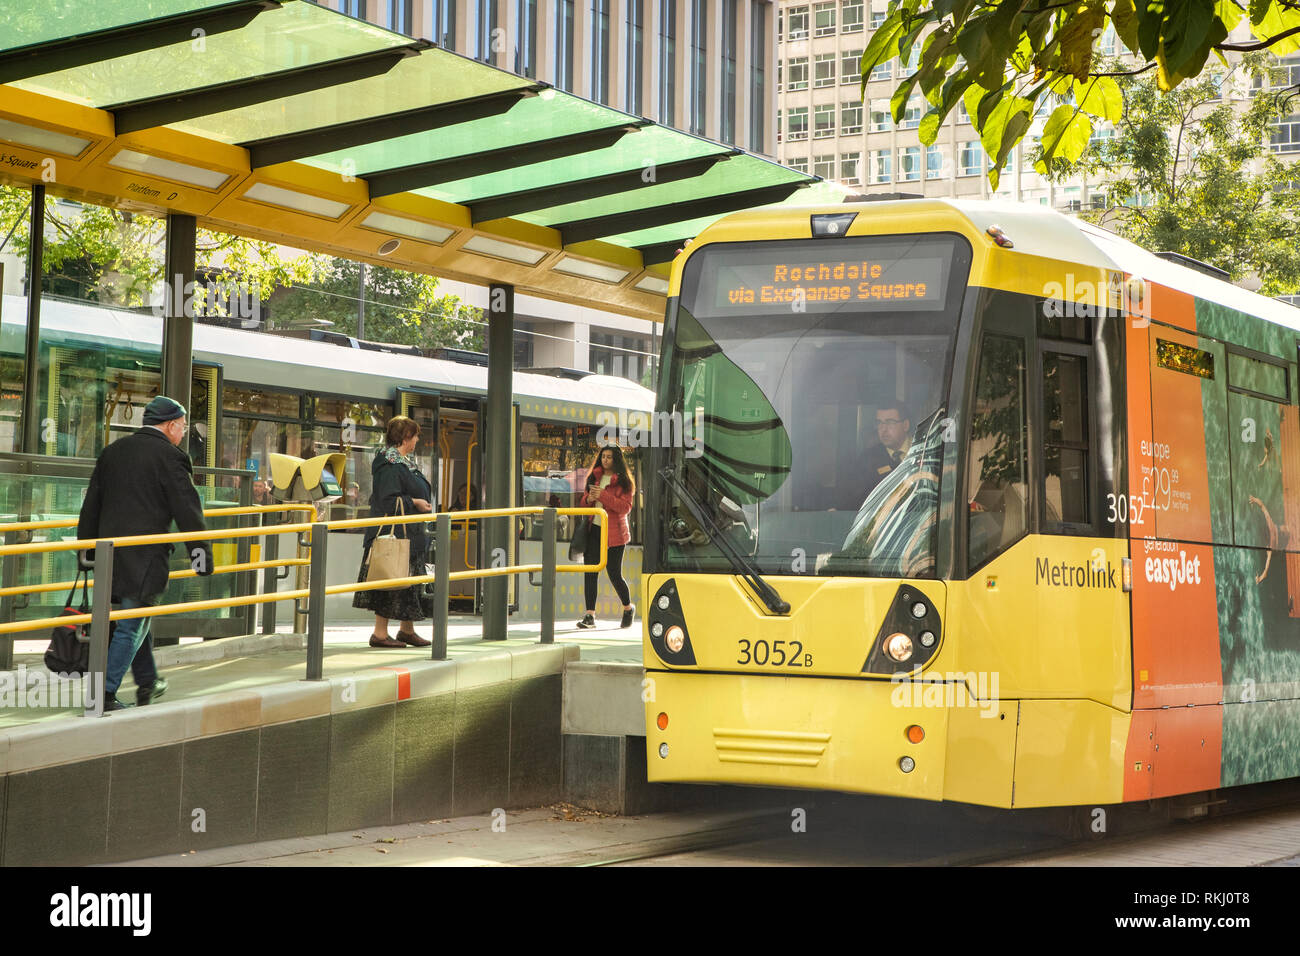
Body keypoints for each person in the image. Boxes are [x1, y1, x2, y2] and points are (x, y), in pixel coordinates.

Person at [77, 396, 214, 711]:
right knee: (133, 623)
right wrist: (201, 554)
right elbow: (188, 510)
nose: (183, 433)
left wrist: (85, 549)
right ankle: (103, 695)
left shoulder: (113, 452)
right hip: (146, 558)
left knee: (135, 617)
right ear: (170, 426)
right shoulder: (171, 457)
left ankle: (148, 682)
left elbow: (92, 506)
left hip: (109, 557)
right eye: (182, 427)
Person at [353, 416, 434, 648]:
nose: (418, 439)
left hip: (409, 535)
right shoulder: (389, 463)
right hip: (394, 535)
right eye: (416, 435)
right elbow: (388, 500)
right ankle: (379, 634)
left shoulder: (403, 461)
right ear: (406, 437)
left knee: (408, 584)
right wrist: (415, 502)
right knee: (390, 581)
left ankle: (406, 630)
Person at [575, 445, 635, 630]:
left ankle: (627, 608)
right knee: (590, 571)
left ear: (616, 459)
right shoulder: (594, 476)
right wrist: (589, 499)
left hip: (616, 534)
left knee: (614, 574)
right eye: (603, 456)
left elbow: (625, 507)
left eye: (609, 457)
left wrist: (603, 495)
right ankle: (590, 615)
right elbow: (583, 504)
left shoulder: (625, 482)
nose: (605, 460)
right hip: (594, 530)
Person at [863, 402, 912, 496]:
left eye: (890, 422)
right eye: (879, 423)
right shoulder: (867, 459)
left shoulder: (925, 451)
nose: (883, 429)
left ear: (905, 425)